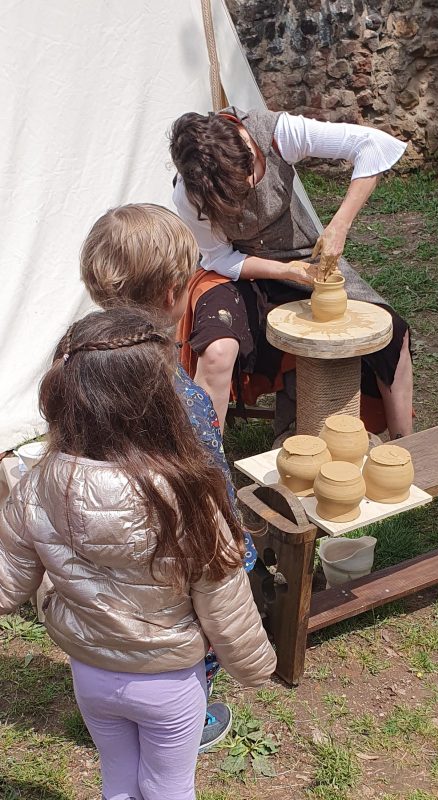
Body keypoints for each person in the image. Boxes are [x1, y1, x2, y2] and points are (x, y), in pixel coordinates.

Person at [0, 307, 276, 800]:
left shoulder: (37, 484)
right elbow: (226, 606)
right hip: (168, 681)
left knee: (119, 778)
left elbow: (6, 584)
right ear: (163, 405)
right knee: (168, 786)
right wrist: (256, 668)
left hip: (90, 671)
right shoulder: (190, 496)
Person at [79, 203, 258, 750]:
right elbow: (209, 483)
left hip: (102, 536)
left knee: (116, 619)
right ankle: (188, 717)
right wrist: (238, 546)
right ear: (173, 295)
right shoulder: (185, 401)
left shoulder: (73, 367)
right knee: (191, 631)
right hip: (170, 544)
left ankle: (114, 704)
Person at [169, 108, 414, 438]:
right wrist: (284, 272)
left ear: (247, 149)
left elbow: (374, 144)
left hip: (302, 253)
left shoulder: (276, 134)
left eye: (249, 176)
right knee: (217, 349)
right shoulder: (190, 192)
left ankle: (405, 446)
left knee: (392, 330)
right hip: (234, 269)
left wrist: (339, 224)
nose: (250, 189)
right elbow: (220, 257)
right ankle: (203, 460)